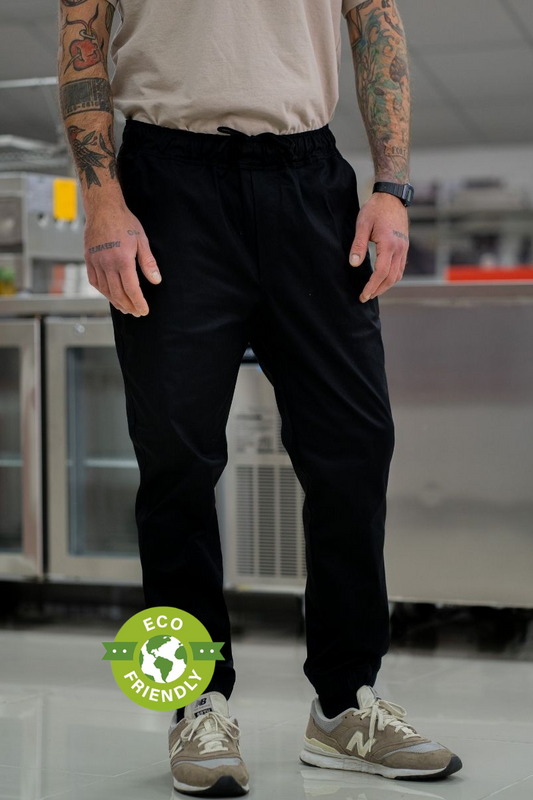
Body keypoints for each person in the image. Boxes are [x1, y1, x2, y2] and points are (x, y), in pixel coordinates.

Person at [57, 0, 463, 795]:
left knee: (354, 448)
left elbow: (374, 22)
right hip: (164, 182)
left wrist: (391, 187)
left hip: (309, 180)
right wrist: (99, 197)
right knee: (174, 461)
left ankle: (345, 704)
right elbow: (83, 34)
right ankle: (191, 702)